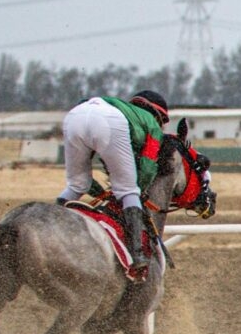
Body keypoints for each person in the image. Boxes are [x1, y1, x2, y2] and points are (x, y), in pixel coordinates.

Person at [57, 86, 170, 276]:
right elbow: (148, 167)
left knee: (77, 184)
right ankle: (137, 255)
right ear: (158, 116)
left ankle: (52, 224)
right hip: (108, 121)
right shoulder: (151, 124)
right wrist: (138, 191)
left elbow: (86, 181)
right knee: (128, 191)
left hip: (75, 115)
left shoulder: (122, 108)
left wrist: (100, 193)